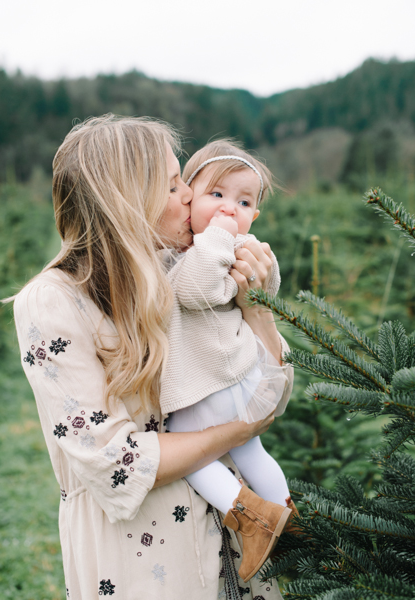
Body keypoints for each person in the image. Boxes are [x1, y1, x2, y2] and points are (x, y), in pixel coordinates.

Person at [13, 115, 287, 599]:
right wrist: (237, 431)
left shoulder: (182, 273)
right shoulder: (52, 301)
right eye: (173, 184)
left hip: (240, 542)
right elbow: (112, 460)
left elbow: (268, 397)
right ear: (126, 199)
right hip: (147, 561)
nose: (191, 195)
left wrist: (256, 307)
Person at [163, 140, 297, 582]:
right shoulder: (227, 248)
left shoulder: (205, 252)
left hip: (213, 384)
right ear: (189, 198)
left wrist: (219, 234)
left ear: (254, 215)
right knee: (251, 448)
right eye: (215, 196)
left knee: (189, 447)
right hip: (241, 378)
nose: (227, 210)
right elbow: (262, 286)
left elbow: (198, 290)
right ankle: (286, 511)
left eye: (242, 202)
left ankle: (253, 519)